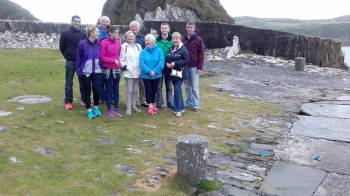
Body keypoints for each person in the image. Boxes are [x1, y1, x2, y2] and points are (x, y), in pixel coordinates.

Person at [59, 15, 86, 110]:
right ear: (72, 22)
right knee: (69, 82)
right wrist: (67, 56)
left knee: (83, 81)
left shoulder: (83, 34)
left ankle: (84, 99)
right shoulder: (65, 33)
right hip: (70, 61)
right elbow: (62, 47)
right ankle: (68, 101)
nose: (77, 23)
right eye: (75, 21)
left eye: (78, 21)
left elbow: (85, 47)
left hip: (81, 62)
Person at [76, 25, 103, 120]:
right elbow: (78, 58)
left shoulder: (99, 43)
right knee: (87, 91)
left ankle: (96, 107)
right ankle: (89, 110)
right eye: (97, 31)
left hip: (97, 71)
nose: (98, 33)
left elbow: (102, 56)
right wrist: (79, 72)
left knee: (97, 89)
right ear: (91, 33)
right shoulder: (82, 44)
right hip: (85, 72)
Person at [165, 32, 189, 117]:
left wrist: (175, 63)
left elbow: (186, 60)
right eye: (174, 38)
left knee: (177, 90)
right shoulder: (170, 49)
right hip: (172, 74)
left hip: (180, 74)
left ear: (180, 39)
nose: (175, 40)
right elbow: (167, 58)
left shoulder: (183, 49)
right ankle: (181, 107)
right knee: (177, 91)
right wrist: (167, 63)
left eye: (177, 38)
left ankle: (178, 110)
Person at [182, 22, 205, 112]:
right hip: (185, 66)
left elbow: (201, 54)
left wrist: (200, 67)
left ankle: (195, 104)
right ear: (186, 28)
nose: (189, 29)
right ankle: (188, 103)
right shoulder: (183, 39)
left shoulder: (199, 39)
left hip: (194, 67)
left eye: (191, 27)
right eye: (188, 27)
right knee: (187, 86)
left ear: (194, 28)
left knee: (195, 87)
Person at [140, 34, 164, 115]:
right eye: (145, 40)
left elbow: (161, 62)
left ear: (153, 41)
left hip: (156, 75)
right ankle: (150, 106)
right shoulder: (143, 52)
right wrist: (149, 71)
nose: (146, 42)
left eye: (148, 40)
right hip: (146, 75)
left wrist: (155, 71)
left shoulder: (159, 50)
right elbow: (142, 64)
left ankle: (153, 105)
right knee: (148, 90)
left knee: (154, 90)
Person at [100, 26, 121, 117]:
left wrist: (119, 62)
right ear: (110, 33)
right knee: (108, 89)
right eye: (115, 32)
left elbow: (119, 55)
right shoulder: (104, 42)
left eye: (117, 32)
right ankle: (109, 109)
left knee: (116, 89)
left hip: (116, 69)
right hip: (107, 69)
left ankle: (116, 108)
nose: (117, 34)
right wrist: (113, 61)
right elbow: (102, 57)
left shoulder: (118, 42)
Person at [120, 31, 142, 115]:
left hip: (137, 71)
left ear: (134, 37)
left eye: (132, 36)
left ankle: (134, 106)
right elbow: (121, 60)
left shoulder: (138, 46)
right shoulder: (123, 46)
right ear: (126, 37)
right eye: (128, 36)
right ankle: (128, 108)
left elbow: (141, 58)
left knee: (136, 90)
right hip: (129, 72)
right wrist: (128, 67)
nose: (130, 37)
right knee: (129, 90)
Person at [155, 22, 173, 109]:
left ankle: (170, 103)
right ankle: (159, 103)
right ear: (160, 29)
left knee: (169, 86)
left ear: (169, 29)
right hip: (159, 67)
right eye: (162, 28)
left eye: (166, 28)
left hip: (169, 67)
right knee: (158, 86)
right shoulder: (156, 40)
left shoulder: (173, 41)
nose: (164, 29)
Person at [129, 20, 147, 107]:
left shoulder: (143, 38)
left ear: (139, 28)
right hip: (131, 65)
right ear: (130, 28)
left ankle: (143, 100)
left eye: (135, 26)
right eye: (132, 26)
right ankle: (134, 101)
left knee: (142, 84)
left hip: (140, 64)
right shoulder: (127, 38)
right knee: (132, 84)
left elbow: (144, 51)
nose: (134, 28)